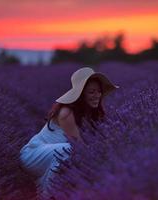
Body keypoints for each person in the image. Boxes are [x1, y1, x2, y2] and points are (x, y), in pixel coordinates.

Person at [19, 67, 119, 199]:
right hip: (33, 155)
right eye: (91, 92)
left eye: (99, 91)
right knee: (69, 150)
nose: (97, 95)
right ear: (81, 94)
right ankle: (46, 196)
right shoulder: (66, 113)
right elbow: (80, 147)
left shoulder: (91, 114)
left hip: (52, 156)